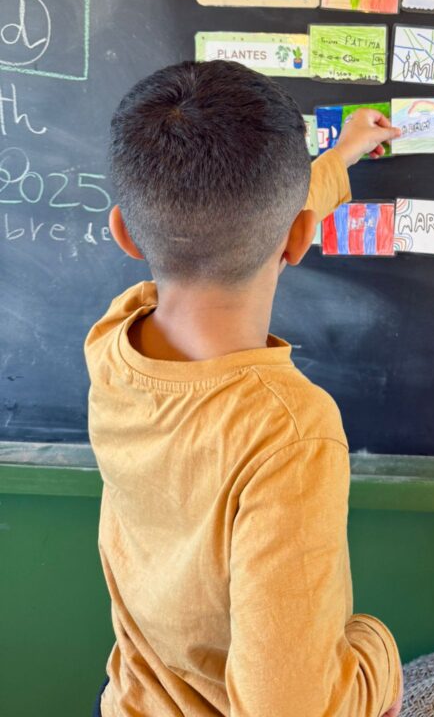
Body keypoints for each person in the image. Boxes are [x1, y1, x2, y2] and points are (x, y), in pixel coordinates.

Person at [87, 61, 403, 717]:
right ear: (301, 238)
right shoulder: (287, 433)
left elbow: (264, 217)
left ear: (124, 234)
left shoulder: (115, 341)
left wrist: (341, 157)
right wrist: (378, 652)